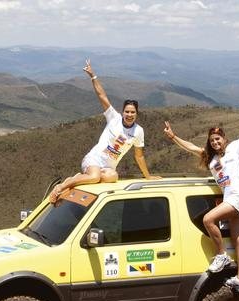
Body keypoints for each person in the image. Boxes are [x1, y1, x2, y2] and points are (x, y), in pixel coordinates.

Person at [163, 103, 239, 293]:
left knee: (208, 219)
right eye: (212, 140)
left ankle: (222, 255)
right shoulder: (210, 159)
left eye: (218, 139)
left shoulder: (234, 148)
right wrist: (173, 137)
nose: (215, 142)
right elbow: (191, 147)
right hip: (233, 200)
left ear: (224, 139)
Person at [49, 59, 159, 203]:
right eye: (127, 111)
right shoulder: (114, 118)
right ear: (123, 111)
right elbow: (102, 96)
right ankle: (62, 186)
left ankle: (80, 178)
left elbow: (139, 156)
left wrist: (148, 176)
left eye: (132, 112)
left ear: (137, 113)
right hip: (93, 159)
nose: (129, 115)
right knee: (94, 177)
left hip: (107, 168)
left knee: (112, 177)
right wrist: (93, 76)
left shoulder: (138, 131)